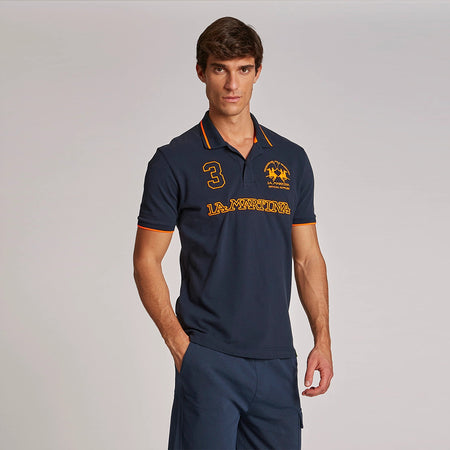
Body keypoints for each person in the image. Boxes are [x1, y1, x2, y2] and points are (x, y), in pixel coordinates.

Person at [133, 16, 333, 450]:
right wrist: (181, 348)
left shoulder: (291, 159)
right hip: (209, 358)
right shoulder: (174, 161)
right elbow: (146, 259)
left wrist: (322, 339)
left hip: (277, 362)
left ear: (257, 72)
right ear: (201, 72)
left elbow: (307, 258)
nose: (231, 84)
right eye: (220, 69)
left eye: (243, 69)